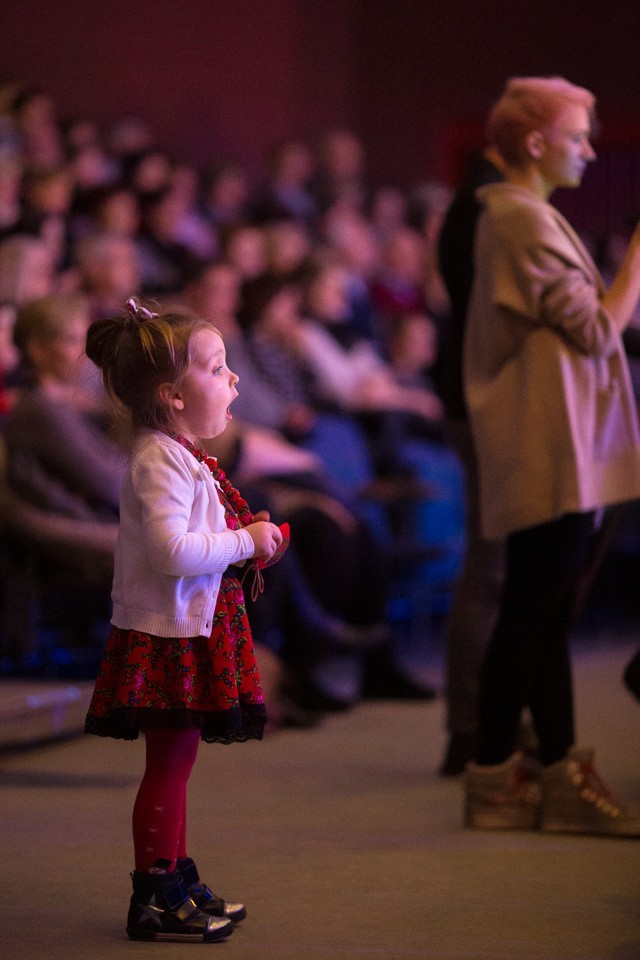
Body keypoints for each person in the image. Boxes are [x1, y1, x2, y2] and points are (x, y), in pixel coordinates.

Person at [463, 76, 640, 837]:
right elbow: (597, 331)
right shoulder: (517, 219)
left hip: (559, 444)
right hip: (547, 450)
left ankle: (544, 772)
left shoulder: (527, 217)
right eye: (577, 137)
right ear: (535, 144)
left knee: (541, 613)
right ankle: (500, 777)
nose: (590, 151)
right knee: (532, 613)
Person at [84, 298, 284, 941]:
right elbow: (174, 553)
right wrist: (245, 543)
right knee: (168, 766)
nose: (232, 381)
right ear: (172, 395)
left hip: (191, 630)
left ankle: (175, 879)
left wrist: (248, 536)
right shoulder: (156, 461)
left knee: (180, 763)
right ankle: (154, 895)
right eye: (218, 368)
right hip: (167, 638)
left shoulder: (181, 452)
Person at [435, 146, 506, 775]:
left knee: (497, 567)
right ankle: (473, 729)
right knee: (492, 568)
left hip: (476, 399)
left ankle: (483, 725)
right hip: (486, 404)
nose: (587, 152)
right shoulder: (488, 205)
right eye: (575, 137)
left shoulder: (482, 201)